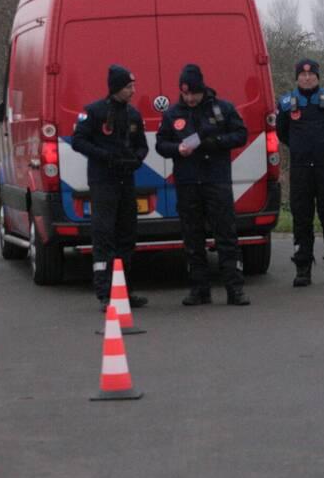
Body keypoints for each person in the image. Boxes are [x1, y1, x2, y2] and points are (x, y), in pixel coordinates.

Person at [155, 64, 250, 306]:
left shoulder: (223, 108)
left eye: (193, 94)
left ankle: (234, 288)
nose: (190, 98)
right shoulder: (173, 113)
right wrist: (177, 149)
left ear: (202, 89)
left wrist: (215, 142)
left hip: (216, 180)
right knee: (192, 237)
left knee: (226, 235)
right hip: (187, 183)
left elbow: (241, 134)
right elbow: (160, 145)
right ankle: (199, 289)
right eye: (185, 94)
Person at [71, 64, 149, 312]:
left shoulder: (133, 115)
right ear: (117, 88)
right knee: (104, 235)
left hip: (126, 181)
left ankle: (124, 290)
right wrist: (105, 156)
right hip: (103, 182)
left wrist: (136, 159)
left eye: (133, 86)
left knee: (127, 235)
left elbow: (142, 146)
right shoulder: (94, 112)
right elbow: (78, 141)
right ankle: (105, 293)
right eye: (128, 87)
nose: (133, 91)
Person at [277, 58, 324, 287]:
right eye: (302, 74)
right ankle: (303, 268)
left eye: (311, 75)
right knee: (301, 218)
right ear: (297, 77)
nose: (307, 78)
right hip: (300, 170)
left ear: (318, 77)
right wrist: (300, 149)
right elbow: (282, 133)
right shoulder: (286, 103)